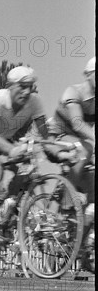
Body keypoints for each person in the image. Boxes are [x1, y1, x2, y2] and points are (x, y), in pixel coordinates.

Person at [0, 66, 72, 243]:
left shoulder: (35, 101)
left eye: (30, 86)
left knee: (25, 167)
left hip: (2, 139)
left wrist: (60, 152)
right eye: (22, 86)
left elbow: (45, 136)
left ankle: (7, 206)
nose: (27, 91)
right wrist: (13, 150)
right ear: (10, 86)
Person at [48, 56, 95, 204]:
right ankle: (65, 197)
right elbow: (77, 123)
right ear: (88, 74)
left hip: (77, 143)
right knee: (86, 148)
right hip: (55, 139)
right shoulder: (74, 92)